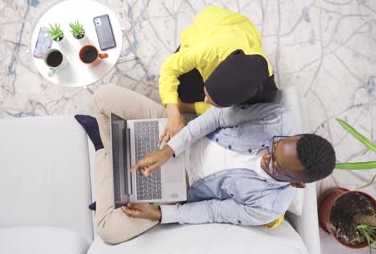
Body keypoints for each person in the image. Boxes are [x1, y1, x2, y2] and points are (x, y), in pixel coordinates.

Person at [88, 84, 336, 244]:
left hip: (179, 188)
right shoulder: (278, 120)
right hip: (177, 135)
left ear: (295, 183)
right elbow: (218, 115)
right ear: (293, 136)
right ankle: (113, 158)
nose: (266, 156)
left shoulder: (268, 206)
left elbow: (213, 211)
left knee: (108, 231)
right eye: (274, 147)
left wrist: (161, 214)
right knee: (102, 98)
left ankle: (108, 153)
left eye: (275, 166)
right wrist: (168, 150)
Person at [159, 6, 277, 144]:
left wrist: (184, 107)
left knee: (184, 98)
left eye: (213, 102)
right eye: (206, 94)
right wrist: (173, 115)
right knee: (180, 90)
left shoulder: (264, 94)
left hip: (238, 41)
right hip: (210, 28)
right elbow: (168, 68)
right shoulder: (210, 50)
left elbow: (226, 113)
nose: (205, 101)